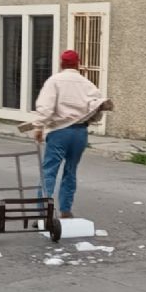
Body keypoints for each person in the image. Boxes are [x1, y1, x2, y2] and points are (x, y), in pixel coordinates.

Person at [30, 50, 113, 218]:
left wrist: (38, 127)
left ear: (61, 63)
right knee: (71, 170)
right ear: (78, 64)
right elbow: (96, 106)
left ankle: (42, 212)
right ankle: (66, 210)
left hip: (59, 131)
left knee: (49, 171)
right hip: (79, 133)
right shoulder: (87, 83)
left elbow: (46, 107)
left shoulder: (54, 81)